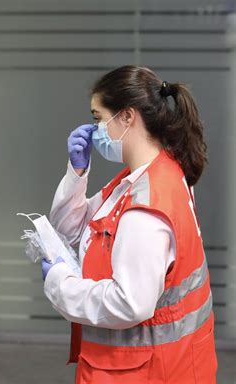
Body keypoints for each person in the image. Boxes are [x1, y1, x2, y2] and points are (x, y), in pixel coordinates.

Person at [41, 66, 217, 383]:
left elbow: (128, 304)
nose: (95, 129)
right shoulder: (150, 174)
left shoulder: (146, 208)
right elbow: (72, 229)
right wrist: (76, 173)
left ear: (127, 117)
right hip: (173, 364)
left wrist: (59, 282)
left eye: (98, 118)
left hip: (142, 371)